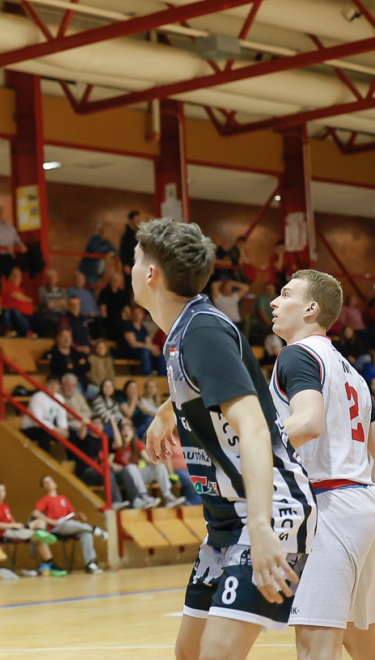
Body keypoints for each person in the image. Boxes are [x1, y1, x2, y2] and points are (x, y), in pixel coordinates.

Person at [134, 218, 314, 659]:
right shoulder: (185, 329)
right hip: (224, 523)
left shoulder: (203, 331)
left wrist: (261, 527)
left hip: (267, 510)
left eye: (135, 261)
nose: (131, 270)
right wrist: (166, 412)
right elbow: (213, 384)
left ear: (151, 274)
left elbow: (253, 426)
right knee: (189, 653)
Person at [269, 269, 375, 659]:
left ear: (311, 309)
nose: (274, 302)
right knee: (361, 640)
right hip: (362, 504)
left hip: (328, 507)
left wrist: (249, 449)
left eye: (285, 294)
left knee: (316, 646)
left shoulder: (297, 355)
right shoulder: (353, 373)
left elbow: (309, 423)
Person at [31, 476, 108, 574]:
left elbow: (71, 515)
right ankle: (93, 529)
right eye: (46, 482)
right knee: (70, 525)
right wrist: (51, 521)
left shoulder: (63, 498)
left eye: (51, 480)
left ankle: (90, 564)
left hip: (69, 525)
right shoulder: (45, 499)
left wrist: (77, 515)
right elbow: (35, 513)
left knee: (86, 534)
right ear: (43, 488)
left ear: (55, 484)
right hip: (56, 528)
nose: (49, 483)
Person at [0, 481, 65, 576]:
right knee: (39, 538)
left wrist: (17, 525)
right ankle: (51, 563)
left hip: (15, 529)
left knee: (40, 522)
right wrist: (14, 526)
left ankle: (41, 535)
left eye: (2, 491)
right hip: (6, 532)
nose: (0, 494)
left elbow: (12, 521)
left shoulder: (5, 506)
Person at [21, 376, 68, 454]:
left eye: (56, 384)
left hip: (50, 428)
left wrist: (63, 429)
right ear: (46, 385)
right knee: (45, 434)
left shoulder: (60, 398)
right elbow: (37, 420)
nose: (53, 387)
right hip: (31, 428)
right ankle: (45, 458)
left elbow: (62, 416)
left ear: (59, 386)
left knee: (72, 434)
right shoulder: (38, 397)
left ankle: (76, 460)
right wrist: (55, 429)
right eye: (51, 384)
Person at [0, 205, 25, 280]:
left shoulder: (9, 226)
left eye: (0, 211)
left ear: (3, 212)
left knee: (12, 275)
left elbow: (16, 238)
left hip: (8, 255)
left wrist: (21, 246)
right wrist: (4, 246)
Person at [121, 305, 164, 376]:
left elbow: (148, 342)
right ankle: (148, 372)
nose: (137, 315)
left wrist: (153, 349)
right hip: (131, 352)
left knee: (160, 354)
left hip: (143, 350)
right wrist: (149, 347)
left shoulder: (143, 328)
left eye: (139, 313)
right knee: (145, 351)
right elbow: (133, 344)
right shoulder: (128, 326)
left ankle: (163, 375)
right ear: (132, 314)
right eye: (135, 313)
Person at [0, 267, 37, 338]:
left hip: (27, 314)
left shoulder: (20, 289)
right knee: (14, 311)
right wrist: (27, 299)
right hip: (13, 313)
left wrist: (26, 300)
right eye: (15, 276)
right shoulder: (7, 286)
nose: (17, 278)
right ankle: (27, 332)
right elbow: (17, 296)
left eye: (19, 276)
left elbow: (27, 300)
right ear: (10, 277)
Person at [119, 210, 141, 274]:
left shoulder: (140, 233)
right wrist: (125, 264)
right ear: (131, 220)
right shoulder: (126, 236)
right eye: (136, 219)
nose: (138, 221)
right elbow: (123, 251)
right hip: (130, 266)